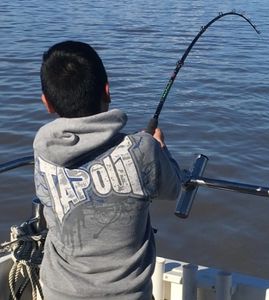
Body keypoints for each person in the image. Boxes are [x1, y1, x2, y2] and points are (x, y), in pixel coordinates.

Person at [33, 40, 182, 300]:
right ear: (107, 90)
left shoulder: (43, 152)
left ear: (47, 103)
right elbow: (173, 188)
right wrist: (159, 149)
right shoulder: (143, 150)